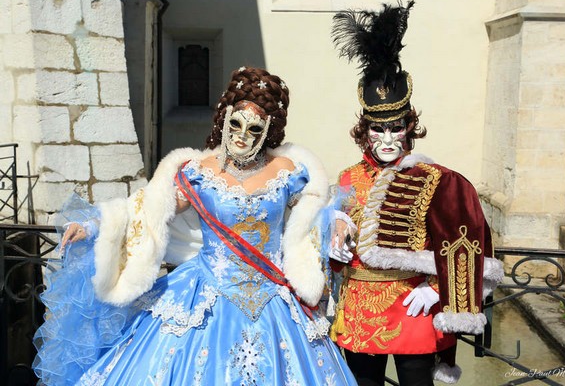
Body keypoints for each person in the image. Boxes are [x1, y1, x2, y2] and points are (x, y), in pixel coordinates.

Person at [33, 66, 358, 386]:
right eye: (236, 124)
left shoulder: (286, 170)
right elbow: (148, 210)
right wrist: (94, 225)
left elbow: (315, 212)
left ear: (269, 129)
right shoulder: (199, 171)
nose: (242, 136)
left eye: (254, 129)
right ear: (225, 117)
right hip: (204, 296)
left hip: (274, 298)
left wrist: (339, 221)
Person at [327, 2, 504, 386]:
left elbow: (461, 239)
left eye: (396, 128)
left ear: (409, 128)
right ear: (365, 130)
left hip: (413, 302)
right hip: (359, 307)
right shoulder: (347, 179)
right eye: (378, 129)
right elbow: (334, 246)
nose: (388, 138)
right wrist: (330, 246)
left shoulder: (436, 179)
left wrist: (438, 288)